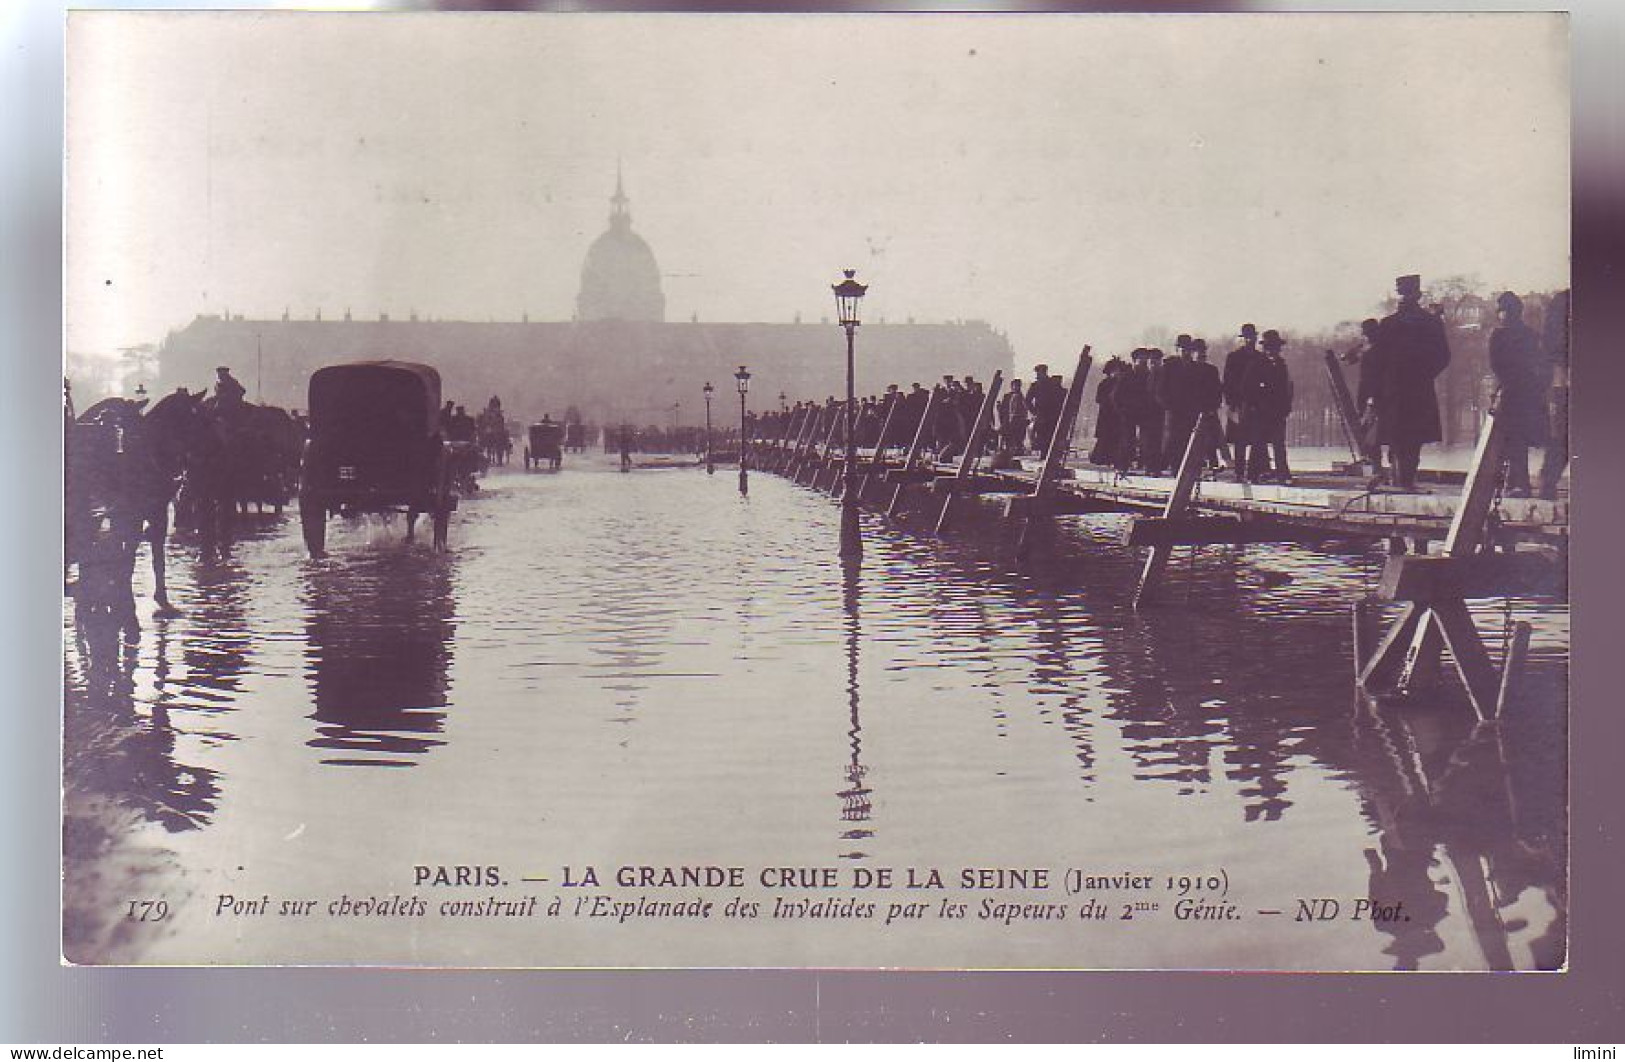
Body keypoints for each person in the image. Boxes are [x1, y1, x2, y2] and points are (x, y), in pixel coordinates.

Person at [1370, 274, 1452, 491]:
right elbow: (1443, 356)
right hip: (1417, 390)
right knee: (1413, 437)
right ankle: (1406, 479)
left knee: (1398, 435)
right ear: (1418, 295)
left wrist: (1381, 387)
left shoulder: (1388, 324)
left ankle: (1401, 479)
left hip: (1394, 390)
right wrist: (1424, 374)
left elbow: (1377, 362)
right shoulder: (1430, 322)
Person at [1486, 292, 1550, 497]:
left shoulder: (1499, 336)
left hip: (1512, 394)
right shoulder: (1530, 335)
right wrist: (1537, 387)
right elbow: (1542, 366)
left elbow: (1496, 365)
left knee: (1513, 440)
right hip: (1524, 394)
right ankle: (1516, 483)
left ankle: (1516, 483)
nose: (1501, 315)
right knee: (1517, 440)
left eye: (1503, 311)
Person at [1241, 330, 1294, 482]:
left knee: (1279, 444)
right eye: (1270, 348)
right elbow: (1246, 389)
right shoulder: (1256, 365)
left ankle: (1283, 475)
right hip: (1260, 413)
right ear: (1265, 349)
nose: (1273, 351)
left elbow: (1285, 389)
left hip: (1277, 413)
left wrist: (1285, 408)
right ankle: (1251, 475)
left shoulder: (1281, 366)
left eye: (1276, 348)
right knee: (1258, 444)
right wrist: (1256, 405)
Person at [1537, 289, 1570, 499]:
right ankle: (1548, 482)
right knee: (1562, 437)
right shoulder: (1562, 302)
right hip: (1566, 381)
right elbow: (1551, 343)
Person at [1223, 325, 1262, 480]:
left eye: (1252, 337)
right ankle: (1239, 471)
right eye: (1246, 337)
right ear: (1242, 339)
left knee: (1257, 439)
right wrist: (1231, 404)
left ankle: (1254, 472)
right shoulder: (1234, 357)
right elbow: (1227, 382)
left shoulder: (1260, 358)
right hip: (1240, 404)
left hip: (1257, 404)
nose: (1250, 340)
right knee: (1240, 440)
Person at [1158, 336, 1199, 470]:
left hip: (1190, 411)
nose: (1186, 353)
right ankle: (1171, 466)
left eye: (1188, 350)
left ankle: (1183, 467)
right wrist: (1168, 406)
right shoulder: (1169, 367)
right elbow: (1160, 390)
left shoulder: (1195, 368)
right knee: (1173, 440)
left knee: (1188, 439)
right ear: (1177, 350)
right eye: (1183, 350)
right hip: (1174, 411)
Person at [1189, 339, 1226, 470]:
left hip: (1208, 410)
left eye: (1203, 351)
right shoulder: (1189, 370)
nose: (1201, 354)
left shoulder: (1211, 370)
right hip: (1191, 411)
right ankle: (1194, 465)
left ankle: (1213, 463)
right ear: (1192, 353)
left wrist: (1214, 406)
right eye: (1197, 351)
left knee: (1211, 438)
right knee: (1192, 440)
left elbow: (1217, 389)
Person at [1026, 364, 1065, 460]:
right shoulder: (1038, 385)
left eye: (1039, 372)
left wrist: (1034, 411)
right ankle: (1045, 454)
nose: (1038, 375)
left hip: (1049, 414)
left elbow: (1060, 397)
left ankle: (1047, 454)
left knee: (1048, 434)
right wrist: (1034, 411)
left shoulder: (1048, 384)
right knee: (1043, 435)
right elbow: (1027, 400)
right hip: (1043, 414)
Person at [999, 378, 1029, 455]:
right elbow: (1003, 409)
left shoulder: (1022, 397)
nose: (1016, 387)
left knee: (1018, 436)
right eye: (1014, 386)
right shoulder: (1007, 396)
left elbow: (1025, 409)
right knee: (1008, 436)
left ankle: (1018, 449)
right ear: (1012, 386)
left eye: (1018, 386)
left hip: (1019, 420)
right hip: (1008, 420)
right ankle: (1008, 450)